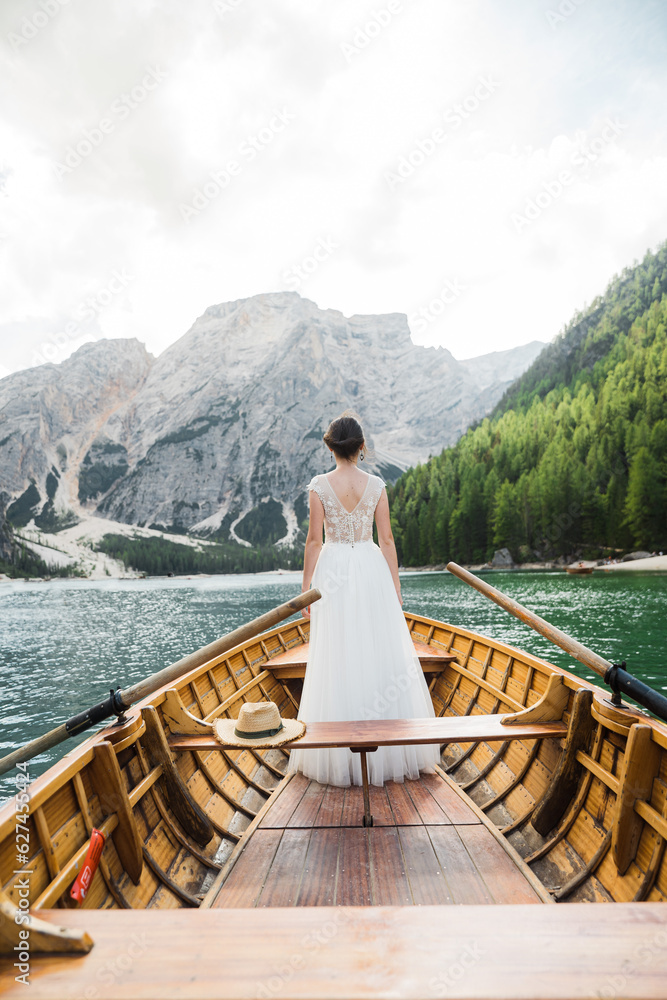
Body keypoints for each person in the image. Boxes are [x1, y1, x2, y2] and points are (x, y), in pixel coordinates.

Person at [288, 414, 439, 787]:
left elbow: (313, 542)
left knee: (336, 651)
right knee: (379, 647)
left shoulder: (320, 486)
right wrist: (395, 586)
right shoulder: (376, 485)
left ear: (329, 446)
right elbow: (386, 541)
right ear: (361, 447)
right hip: (371, 568)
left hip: (334, 569)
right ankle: (391, 748)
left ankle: (338, 753)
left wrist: (307, 587)